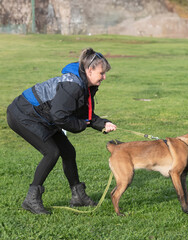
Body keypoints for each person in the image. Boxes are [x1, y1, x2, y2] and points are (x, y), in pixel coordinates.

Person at [7, 48, 117, 214]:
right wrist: (81, 125)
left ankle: (78, 196)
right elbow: (59, 116)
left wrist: (103, 123)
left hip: (43, 116)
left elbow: (83, 114)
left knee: (68, 151)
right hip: (23, 114)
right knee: (52, 152)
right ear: (90, 70)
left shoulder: (84, 85)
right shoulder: (73, 86)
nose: (104, 77)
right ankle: (31, 199)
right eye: (102, 73)